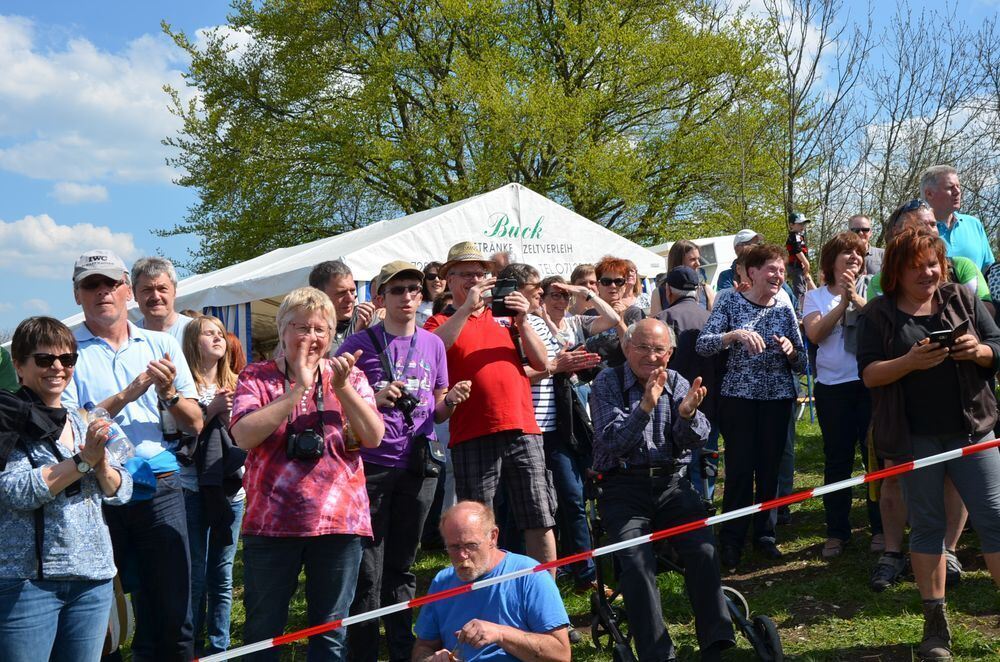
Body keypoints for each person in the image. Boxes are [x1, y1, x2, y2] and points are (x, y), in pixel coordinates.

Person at [857, 226, 1000, 661]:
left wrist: (979, 352)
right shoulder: (877, 315)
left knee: (995, 517)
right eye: (917, 266)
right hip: (913, 437)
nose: (928, 271)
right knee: (927, 527)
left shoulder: (964, 298)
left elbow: (997, 346)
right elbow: (868, 374)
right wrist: (908, 362)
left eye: (933, 262)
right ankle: (935, 626)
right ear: (896, 271)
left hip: (974, 430)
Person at [62, 249, 204, 660]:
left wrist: (169, 394)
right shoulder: (65, 351)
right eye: (91, 284)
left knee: (173, 605)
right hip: (95, 490)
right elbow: (71, 425)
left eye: (110, 283)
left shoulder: (161, 344)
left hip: (159, 485)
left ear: (127, 290)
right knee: (101, 610)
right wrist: (129, 394)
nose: (102, 291)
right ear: (77, 295)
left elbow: (194, 421)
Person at [230, 287, 385, 661]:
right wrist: (297, 387)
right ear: (282, 330)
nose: (311, 337)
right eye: (300, 327)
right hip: (272, 525)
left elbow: (374, 436)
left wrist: (342, 388)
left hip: (339, 523)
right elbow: (243, 435)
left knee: (330, 633)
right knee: (262, 633)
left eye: (320, 329)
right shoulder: (257, 376)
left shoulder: (350, 375)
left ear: (332, 334)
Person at [340, 261, 471, 662]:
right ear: (380, 298)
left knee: (403, 563)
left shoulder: (432, 343)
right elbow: (335, 406)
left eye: (414, 288)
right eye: (397, 290)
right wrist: (372, 401)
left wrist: (450, 401)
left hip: (419, 463)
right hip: (372, 463)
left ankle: (401, 650)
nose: (408, 296)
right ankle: (361, 650)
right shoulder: (357, 345)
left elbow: (440, 402)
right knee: (368, 567)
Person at [590, 318, 735, 662]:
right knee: (637, 566)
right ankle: (657, 654)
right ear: (626, 348)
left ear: (669, 353)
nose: (651, 356)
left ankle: (716, 641)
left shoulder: (678, 381)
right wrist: (645, 407)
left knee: (703, 550)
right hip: (623, 486)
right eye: (642, 347)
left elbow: (699, 437)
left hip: (672, 483)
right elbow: (612, 442)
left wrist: (686, 415)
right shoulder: (606, 383)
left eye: (659, 349)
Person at [0, 316, 132, 662]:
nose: (57, 367)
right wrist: (84, 461)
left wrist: (101, 464)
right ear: (19, 366)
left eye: (67, 359)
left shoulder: (85, 418)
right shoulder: (6, 421)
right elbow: (16, 490)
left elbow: (122, 490)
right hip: (28, 582)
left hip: (93, 578)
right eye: (44, 360)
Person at [424, 242, 559, 568]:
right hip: (472, 431)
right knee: (476, 524)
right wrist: (466, 310)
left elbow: (542, 362)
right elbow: (432, 351)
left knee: (538, 515)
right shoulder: (438, 322)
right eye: (466, 274)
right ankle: (484, 595)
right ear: (449, 279)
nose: (475, 279)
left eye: (480, 273)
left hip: (523, 427)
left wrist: (524, 319)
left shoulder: (506, 317)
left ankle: (546, 602)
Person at [697, 243, 806, 569]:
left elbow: (803, 363)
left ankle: (765, 536)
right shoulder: (730, 302)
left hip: (777, 400)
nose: (778, 276)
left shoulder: (784, 309)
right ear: (753, 272)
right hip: (739, 400)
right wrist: (734, 336)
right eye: (772, 269)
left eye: (782, 271)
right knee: (741, 470)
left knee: (770, 469)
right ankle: (732, 540)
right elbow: (703, 345)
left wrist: (790, 351)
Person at [802, 232, 882, 559]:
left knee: (874, 457)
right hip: (832, 389)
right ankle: (836, 532)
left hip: (867, 385)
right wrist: (842, 304)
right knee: (837, 460)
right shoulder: (815, 296)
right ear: (831, 260)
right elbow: (816, 334)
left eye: (859, 253)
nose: (854, 257)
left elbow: (881, 324)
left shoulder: (874, 288)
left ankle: (880, 529)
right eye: (847, 252)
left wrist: (857, 300)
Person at [411, 501, 571, 662]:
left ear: (493, 537)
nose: (462, 555)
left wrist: (500, 634)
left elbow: (560, 654)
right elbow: (423, 647)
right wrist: (431, 659)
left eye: (470, 545)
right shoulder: (442, 582)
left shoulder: (529, 575)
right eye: (453, 547)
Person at [181, 315, 246, 655]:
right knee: (195, 573)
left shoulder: (240, 383)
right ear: (193, 342)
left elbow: (248, 438)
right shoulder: (182, 387)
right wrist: (210, 412)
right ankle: (190, 646)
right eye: (209, 333)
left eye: (220, 333)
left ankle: (219, 647)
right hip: (191, 488)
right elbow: (176, 438)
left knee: (221, 574)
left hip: (232, 491)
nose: (218, 339)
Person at [655, 266, 720, 498]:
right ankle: (705, 513)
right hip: (711, 406)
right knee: (704, 468)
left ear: (668, 292)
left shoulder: (660, 322)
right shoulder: (713, 319)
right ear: (698, 291)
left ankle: (685, 519)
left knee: (678, 470)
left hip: (672, 411)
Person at [922, 164, 995, 273]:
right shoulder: (918, 231)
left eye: (958, 186)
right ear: (929, 194)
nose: (957, 192)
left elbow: (988, 269)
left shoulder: (974, 224)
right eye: (950, 187)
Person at [309, 260, 379, 350]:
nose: (350, 299)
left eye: (353, 291)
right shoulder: (305, 329)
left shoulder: (368, 318)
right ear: (318, 295)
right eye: (341, 293)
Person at [133, 256, 194, 344]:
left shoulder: (195, 332)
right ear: (135, 294)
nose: (156, 296)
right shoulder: (128, 337)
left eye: (162, 289)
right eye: (147, 290)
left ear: (174, 291)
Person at [650, 240, 716, 315]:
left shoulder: (706, 290)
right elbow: (656, 324)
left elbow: (714, 322)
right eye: (692, 259)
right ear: (678, 261)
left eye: (698, 259)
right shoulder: (659, 293)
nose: (698, 264)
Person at [786, 212, 815, 308]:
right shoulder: (794, 236)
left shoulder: (799, 236)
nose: (802, 226)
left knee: (803, 288)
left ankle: (801, 310)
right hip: (795, 267)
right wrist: (806, 263)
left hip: (798, 267)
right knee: (799, 290)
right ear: (791, 225)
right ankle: (798, 312)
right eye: (799, 224)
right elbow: (797, 251)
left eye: (803, 224)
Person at [417, 261, 445, 327]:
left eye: (441, 276)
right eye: (431, 276)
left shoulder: (455, 305)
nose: (437, 280)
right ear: (424, 281)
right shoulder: (415, 305)